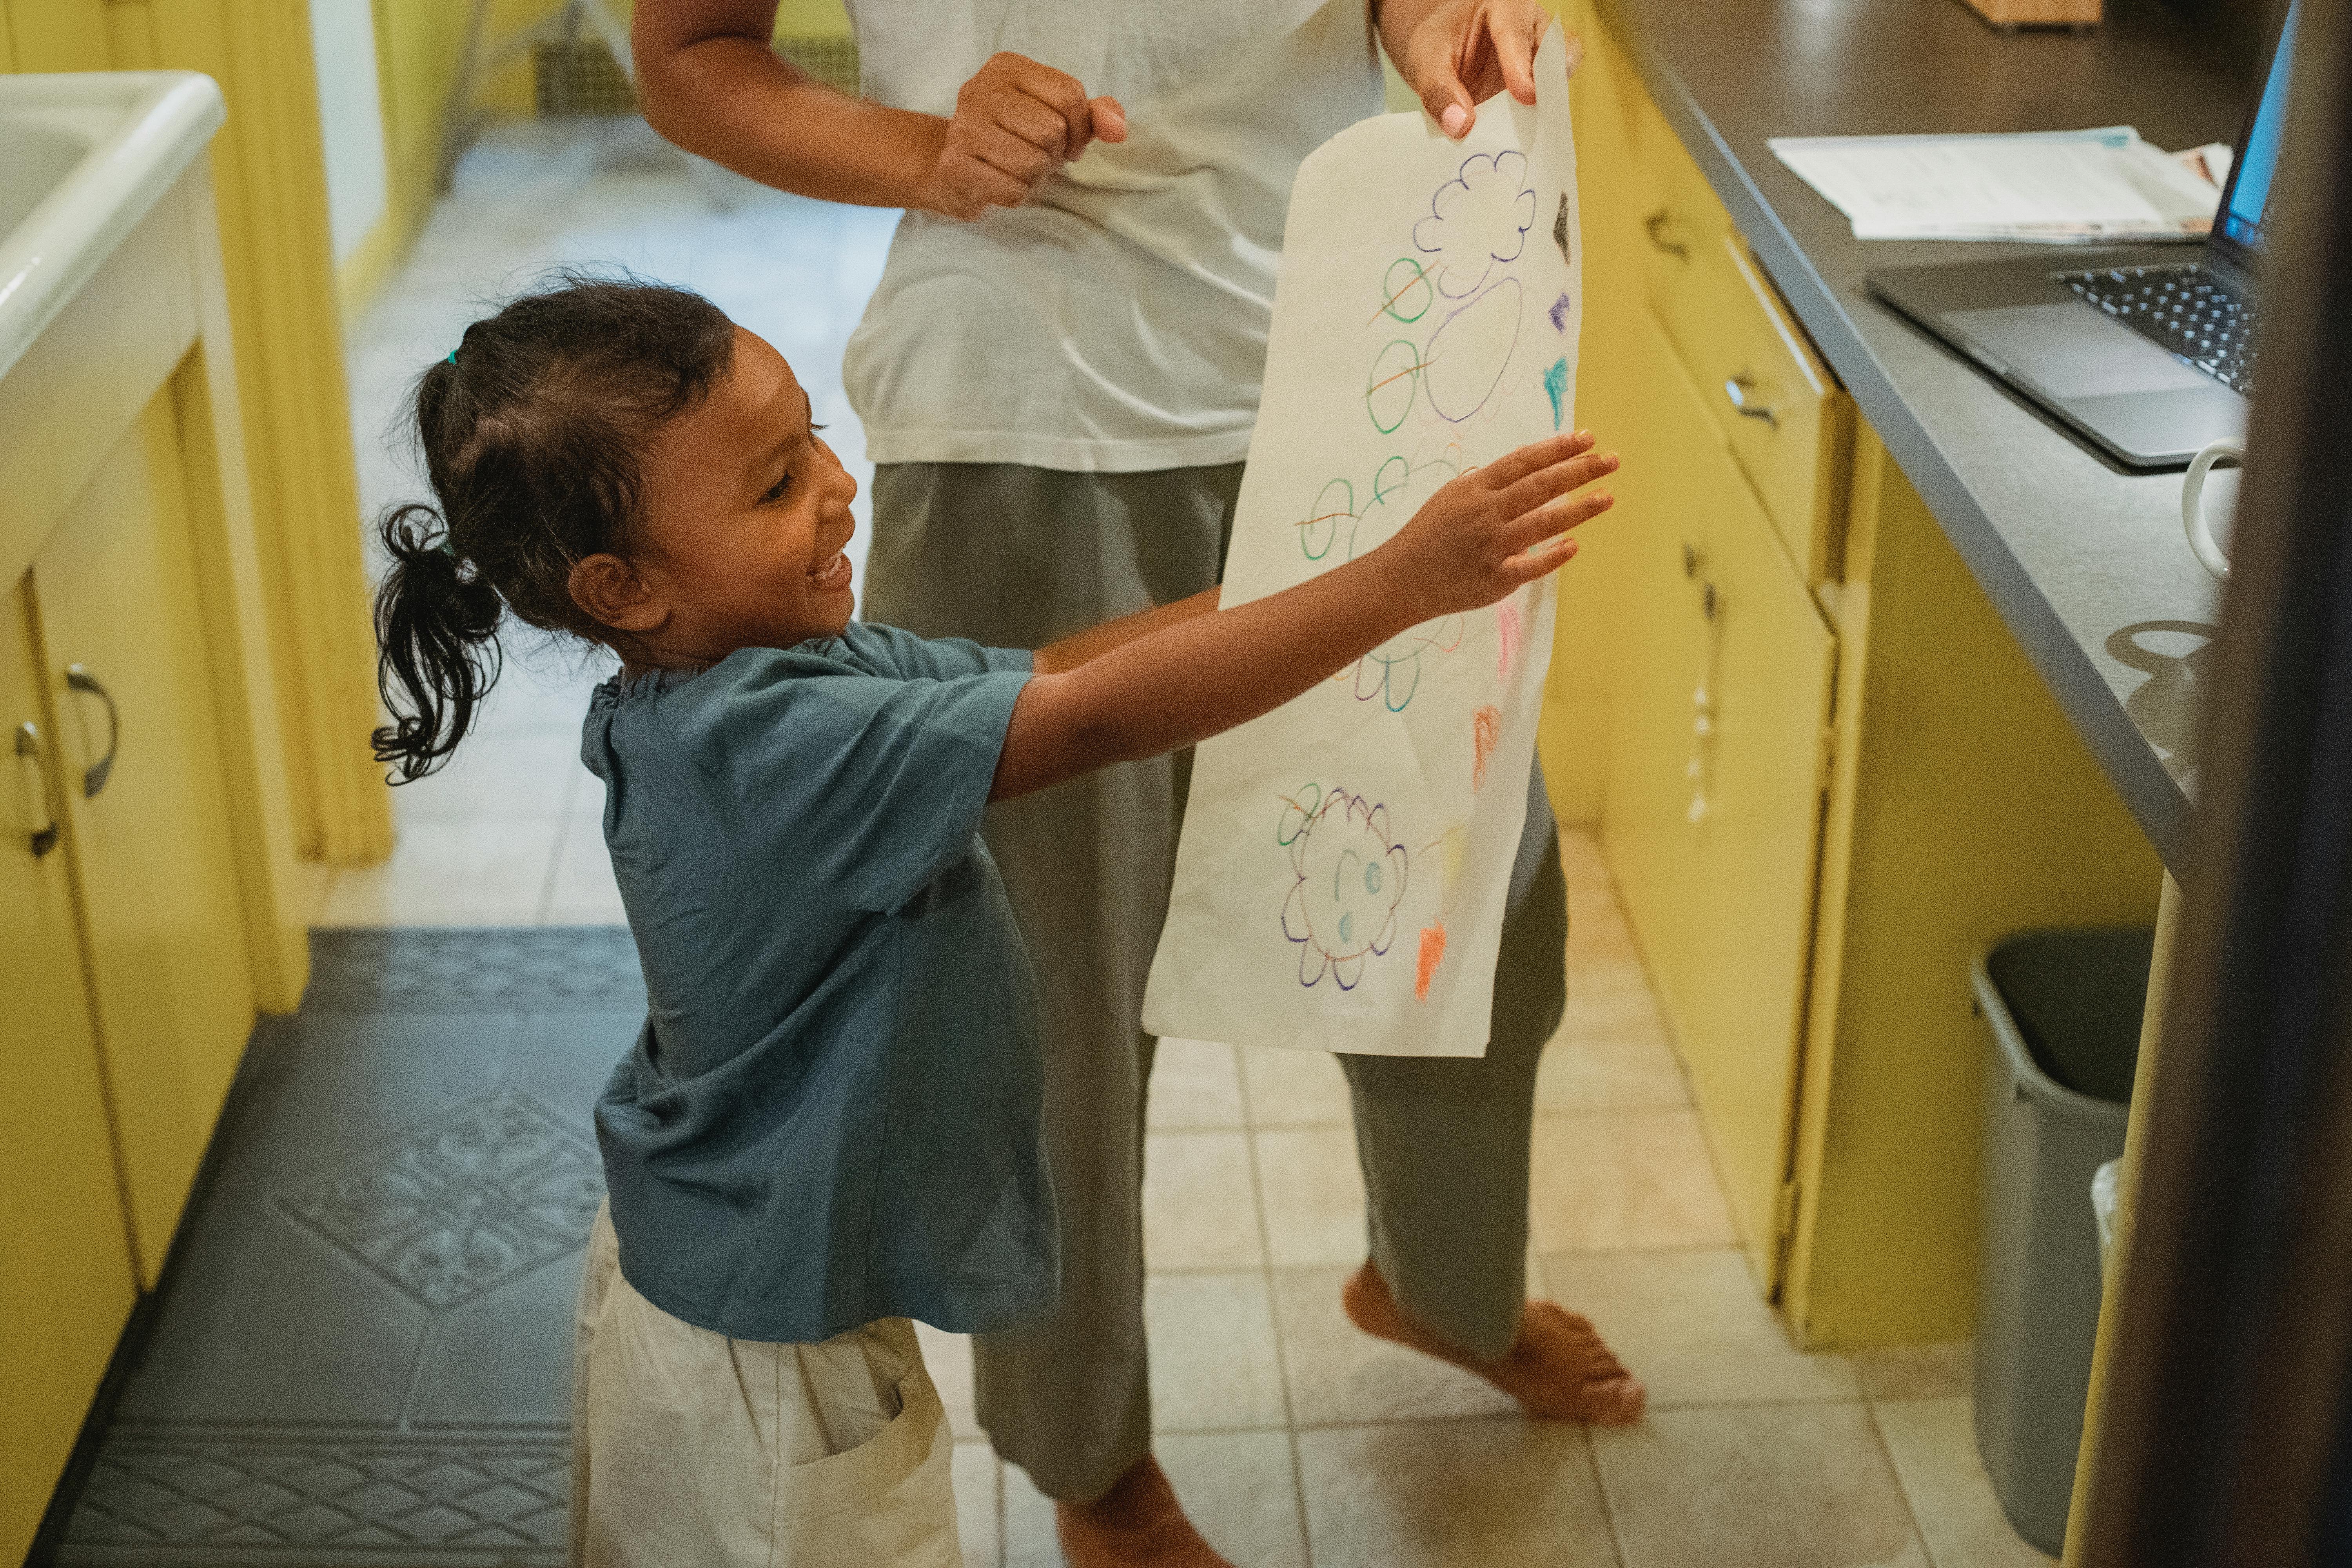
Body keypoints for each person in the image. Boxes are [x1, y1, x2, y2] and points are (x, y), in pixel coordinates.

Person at [365, 278, 1618, 1566]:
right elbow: (1095, 725)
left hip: (752, 1268)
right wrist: (1400, 586)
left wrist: (1328, 572)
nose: (838, 488)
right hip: (758, 1347)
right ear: (622, 588)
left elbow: (1063, 672)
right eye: (775, 486)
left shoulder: (778, 668)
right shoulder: (770, 741)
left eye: (813, 442)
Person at [632, 4, 1646, 1563]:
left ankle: (1443, 1285)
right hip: (1030, 412)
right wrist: (929, 149)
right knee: (1055, 1007)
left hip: (1361, 363)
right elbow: (692, 51)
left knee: (1474, 909)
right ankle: (1088, 1457)